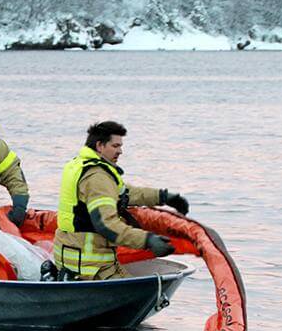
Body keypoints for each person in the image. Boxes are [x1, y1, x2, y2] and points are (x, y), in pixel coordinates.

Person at [53, 120, 190, 280]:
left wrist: (163, 196)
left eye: (121, 146)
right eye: (115, 146)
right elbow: (107, 225)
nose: (120, 151)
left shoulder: (80, 165)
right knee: (137, 292)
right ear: (100, 146)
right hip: (92, 268)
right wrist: (148, 240)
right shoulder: (97, 177)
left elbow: (125, 193)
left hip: (70, 258)